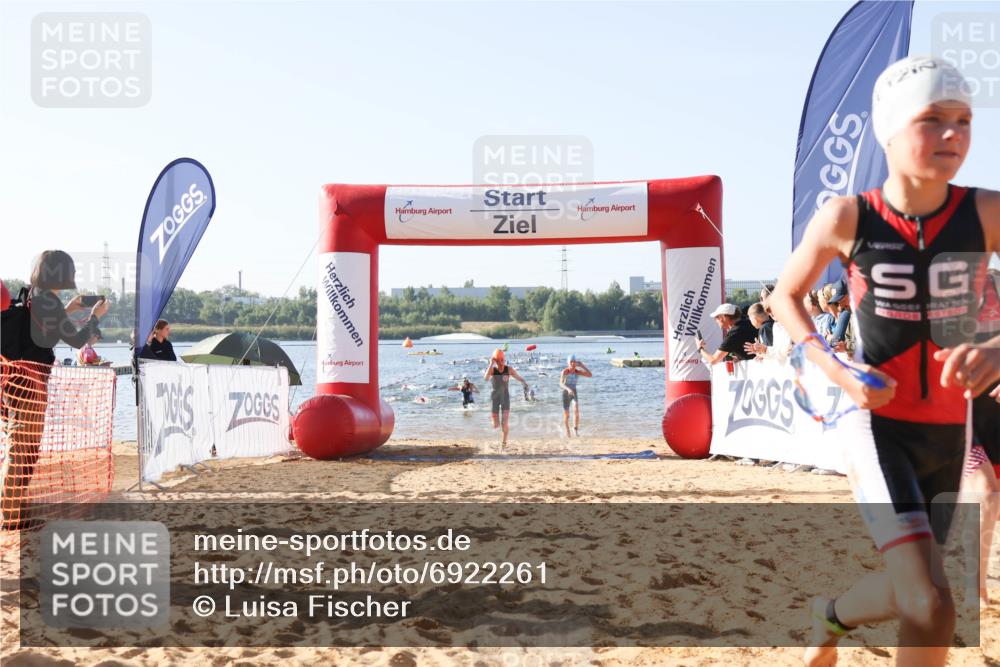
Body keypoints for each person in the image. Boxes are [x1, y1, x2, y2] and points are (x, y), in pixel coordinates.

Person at [769, 56, 1000, 667]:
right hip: (876, 427)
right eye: (932, 120)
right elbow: (785, 296)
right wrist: (836, 370)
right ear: (890, 129)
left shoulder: (986, 211)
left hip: (949, 432)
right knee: (933, 606)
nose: (953, 134)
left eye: (964, 120)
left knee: (913, 596)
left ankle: (829, 615)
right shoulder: (849, 217)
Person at [1, 250, 110, 529]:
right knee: (23, 449)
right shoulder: (48, 302)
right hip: (32, 384)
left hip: (16, 381)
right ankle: (11, 516)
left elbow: (44, 332)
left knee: (23, 446)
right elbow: (79, 341)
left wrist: (69, 310)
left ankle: (14, 510)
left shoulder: (33, 295)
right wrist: (95, 316)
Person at [483, 348, 529, 445]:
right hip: (495, 398)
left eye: (503, 359)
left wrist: (524, 382)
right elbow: (486, 378)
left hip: (505, 398)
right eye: (499, 360)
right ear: (496, 361)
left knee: (504, 423)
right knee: (496, 425)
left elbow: (518, 377)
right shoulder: (493, 370)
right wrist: (490, 364)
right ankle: (497, 425)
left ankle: (504, 442)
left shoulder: (509, 369)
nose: (502, 361)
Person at [559, 354, 593, 437]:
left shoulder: (577, 372)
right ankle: (568, 431)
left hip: (574, 392)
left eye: (574, 362)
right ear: (568, 363)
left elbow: (590, 375)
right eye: (571, 362)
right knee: (567, 415)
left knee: (576, 410)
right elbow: (561, 384)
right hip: (566, 393)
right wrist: (568, 389)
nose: (573, 363)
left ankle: (575, 430)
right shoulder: (565, 372)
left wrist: (582, 365)